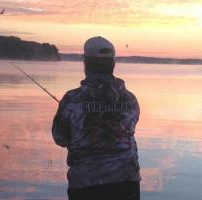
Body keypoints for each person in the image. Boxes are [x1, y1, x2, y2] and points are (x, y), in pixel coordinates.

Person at [52, 36, 141, 200]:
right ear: (113, 63)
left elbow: (60, 138)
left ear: (85, 63)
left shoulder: (72, 99)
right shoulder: (130, 99)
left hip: (85, 184)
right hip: (127, 182)